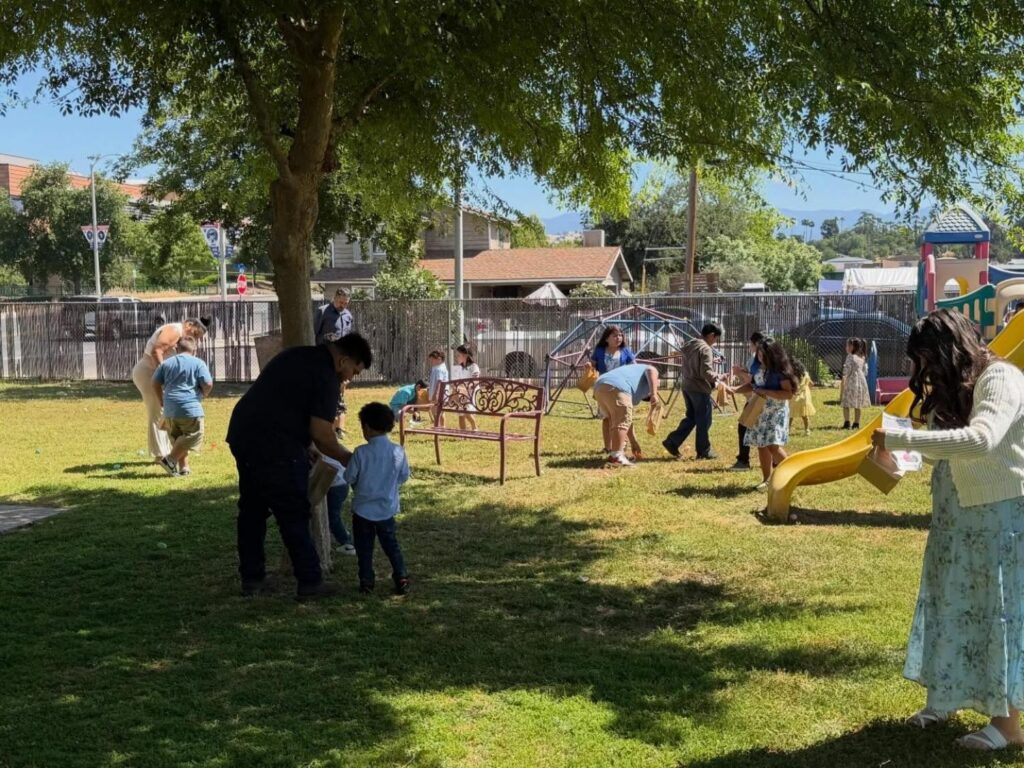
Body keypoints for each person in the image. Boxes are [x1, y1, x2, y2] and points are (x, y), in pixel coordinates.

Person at [872, 309, 1024, 751]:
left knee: (996, 613)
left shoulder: (1001, 378)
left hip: (999, 519)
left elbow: (981, 441)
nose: (921, 372)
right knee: (952, 603)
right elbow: (943, 450)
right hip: (957, 518)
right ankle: (947, 696)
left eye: (924, 359)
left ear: (947, 350)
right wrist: (894, 455)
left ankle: (1008, 726)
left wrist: (901, 440)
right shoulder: (954, 387)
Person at [227, 332, 372, 602]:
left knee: (253, 509)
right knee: (293, 511)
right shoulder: (327, 376)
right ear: (343, 360)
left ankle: (252, 578)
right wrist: (351, 460)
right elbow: (323, 433)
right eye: (354, 371)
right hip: (275, 446)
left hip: (244, 435)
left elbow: (283, 405)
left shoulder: (295, 355)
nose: (350, 378)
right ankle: (309, 581)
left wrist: (308, 447)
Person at [345, 402, 411, 595]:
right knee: (392, 546)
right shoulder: (398, 451)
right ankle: (401, 577)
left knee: (364, 550)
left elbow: (349, 477)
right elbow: (404, 476)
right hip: (387, 509)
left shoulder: (361, 452)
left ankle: (366, 581)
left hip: (362, 511)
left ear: (366, 427)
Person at [131, 317, 210, 460]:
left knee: (166, 413)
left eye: (198, 337)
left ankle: (168, 452)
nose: (194, 339)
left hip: (157, 374)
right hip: (148, 372)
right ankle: (160, 455)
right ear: (189, 325)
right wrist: (165, 377)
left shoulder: (181, 338)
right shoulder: (175, 330)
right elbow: (157, 351)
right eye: (195, 334)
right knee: (158, 412)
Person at [735, 338, 796, 490]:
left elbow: (788, 394)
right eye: (759, 354)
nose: (760, 357)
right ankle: (767, 480)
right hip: (760, 409)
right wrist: (734, 389)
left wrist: (766, 392)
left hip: (775, 411)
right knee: (761, 444)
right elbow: (752, 385)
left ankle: (793, 475)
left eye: (764, 354)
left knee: (772, 445)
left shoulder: (780, 372)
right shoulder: (758, 368)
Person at [152, 336, 213, 476]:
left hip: (170, 409)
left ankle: (184, 468)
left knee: (178, 439)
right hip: (190, 408)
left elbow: (154, 382)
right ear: (194, 350)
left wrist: (161, 400)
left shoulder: (166, 364)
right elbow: (208, 383)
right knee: (194, 435)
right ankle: (170, 460)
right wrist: (204, 394)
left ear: (176, 349)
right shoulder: (198, 363)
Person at [662, 323, 723, 460]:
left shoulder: (691, 344)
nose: (715, 342)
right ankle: (704, 450)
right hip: (699, 389)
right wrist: (719, 376)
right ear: (712, 335)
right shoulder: (706, 348)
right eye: (716, 339)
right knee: (704, 421)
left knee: (692, 418)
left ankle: (672, 441)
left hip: (687, 386)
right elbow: (705, 372)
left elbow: (695, 363)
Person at [592, 362, 660, 468]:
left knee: (617, 419)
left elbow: (628, 421)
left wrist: (634, 442)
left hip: (599, 386)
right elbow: (651, 370)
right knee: (622, 419)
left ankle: (613, 453)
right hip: (616, 385)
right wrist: (654, 394)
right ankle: (617, 457)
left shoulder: (632, 374)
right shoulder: (650, 370)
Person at [315, 289, 355, 437]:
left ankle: (339, 427)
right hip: (325, 358)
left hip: (342, 361)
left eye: (345, 303)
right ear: (334, 298)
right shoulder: (322, 312)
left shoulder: (348, 315)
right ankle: (326, 425)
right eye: (340, 302)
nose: (343, 305)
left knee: (340, 390)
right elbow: (314, 334)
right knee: (326, 391)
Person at [728, 331, 764, 471]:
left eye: (750, 344)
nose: (749, 347)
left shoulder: (757, 357)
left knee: (745, 427)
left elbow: (751, 379)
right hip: (755, 399)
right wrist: (736, 388)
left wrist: (739, 373)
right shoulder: (755, 358)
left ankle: (744, 461)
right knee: (749, 428)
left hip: (758, 400)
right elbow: (752, 381)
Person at [319, 455, 356, 556]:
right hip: (341, 484)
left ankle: (347, 543)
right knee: (333, 515)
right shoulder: (328, 449)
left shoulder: (319, 451)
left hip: (336, 486)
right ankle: (340, 535)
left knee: (333, 516)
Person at [840, 336, 870, 429]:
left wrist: (844, 375)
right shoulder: (862, 357)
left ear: (852, 347)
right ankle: (856, 423)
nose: (846, 347)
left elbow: (847, 370)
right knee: (858, 404)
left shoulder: (850, 356)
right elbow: (865, 371)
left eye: (847, 345)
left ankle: (847, 423)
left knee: (846, 403)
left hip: (851, 382)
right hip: (861, 382)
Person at [451, 344, 481, 431]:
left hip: (469, 392)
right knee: (461, 413)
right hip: (461, 392)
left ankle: (474, 425)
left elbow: (475, 381)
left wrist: (465, 389)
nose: (457, 357)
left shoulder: (474, 367)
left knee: (464, 409)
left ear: (465, 356)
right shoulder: (459, 368)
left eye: (458, 355)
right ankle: (463, 433)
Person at [788, 358, 815, 436]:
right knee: (804, 415)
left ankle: (787, 430)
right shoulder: (806, 374)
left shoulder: (791, 376)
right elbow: (811, 384)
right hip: (804, 398)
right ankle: (807, 430)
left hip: (794, 398)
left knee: (790, 415)